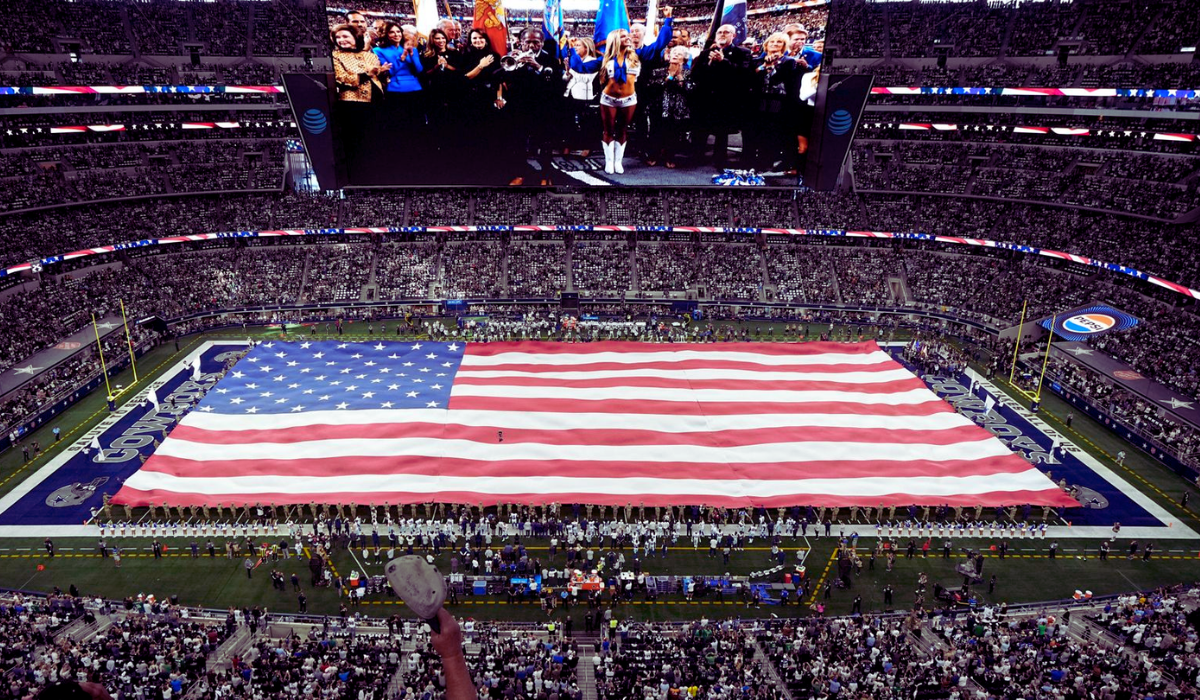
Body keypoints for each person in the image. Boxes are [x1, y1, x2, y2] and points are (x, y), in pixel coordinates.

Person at [571, 28, 641, 174]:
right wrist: (572, 50)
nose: (628, 38)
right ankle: (609, 161)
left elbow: (659, 45)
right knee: (608, 130)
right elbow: (581, 68)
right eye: (623, 36)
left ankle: (618, 161)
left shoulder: (637, 56)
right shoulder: (604, 60)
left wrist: (668, 21)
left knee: (622, 129)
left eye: (627, 36)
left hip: (629, 99)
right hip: (609, 100)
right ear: (615, 40)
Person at [330, 24, 389, 178]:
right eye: (338, 37)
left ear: (356, 38)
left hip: (376, 101)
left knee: (375, 137)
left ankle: (376, 170)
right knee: (355, 140)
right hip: (352, 104)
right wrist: (367, 74)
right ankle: (357, 173)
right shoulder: (335, 56)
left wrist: (382, 73)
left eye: (345, 36)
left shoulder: (370, 55)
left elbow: (377, 76)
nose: (341, 40)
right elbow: (341, 78)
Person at [691, 24, 752, 168]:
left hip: (726, 99)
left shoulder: (743, 53)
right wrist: (708, 64)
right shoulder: (706, 53)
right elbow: (695, 75)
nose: (722, 34)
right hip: (705, 98)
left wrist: (723, 62)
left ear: (734, 36)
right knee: (700, 129)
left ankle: (720, 160)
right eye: (719, 32)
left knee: (721, 131)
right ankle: (697, 157)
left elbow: (744, 75)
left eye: (726, 32)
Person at [745, 32, 800, 171]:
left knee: (770, 133)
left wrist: (772, 68)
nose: (775, 44)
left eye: (779, 42)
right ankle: (748, 162)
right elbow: (750, 78)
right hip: (757, 101)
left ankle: (765, 164)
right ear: (766, 45)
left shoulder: (789, 61)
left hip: (777, 103)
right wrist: (764, 66)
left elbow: (782, 81)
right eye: (772, 42)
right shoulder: (757, 60)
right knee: (753, 132)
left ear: (784, 46)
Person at [373, 22, 426, 165]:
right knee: (398, 124)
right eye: (392, 32)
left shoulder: (411, 48)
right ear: (386, 34)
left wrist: (412, 55)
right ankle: (400, 155)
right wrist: (402, 57)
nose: (396, 35)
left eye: (398, 31)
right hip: (395, 90)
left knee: (417, 124)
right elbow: (389, 71)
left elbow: (419, 70)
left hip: (415, 88)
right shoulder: (378, 50)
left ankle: (418, 153)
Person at [643, 45, 693, 168]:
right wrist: (669, 77)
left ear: (684, 60)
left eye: (679, 54)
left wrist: (680, 77)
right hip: (658, 108)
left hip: (677, 110)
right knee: (655, 132)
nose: (675, 55)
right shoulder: (658, 71)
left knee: (673, 134)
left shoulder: (689, 73)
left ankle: (670, 157)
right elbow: (652, 88)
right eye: (673, 53)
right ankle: (653, 155)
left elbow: (690, 91)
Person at [562, 36, 601, 155]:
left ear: (587, 47)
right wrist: (567, 71)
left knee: (586, 122)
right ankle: (568, 144)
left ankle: (587, 146)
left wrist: (572, 68)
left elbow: (584, 77)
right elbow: (566, 78)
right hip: (570, 93)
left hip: (584, 95)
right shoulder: (574, 61)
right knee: (568, 120)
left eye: (578, 45)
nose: (575, 47)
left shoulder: (594, 62)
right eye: (575, 45)